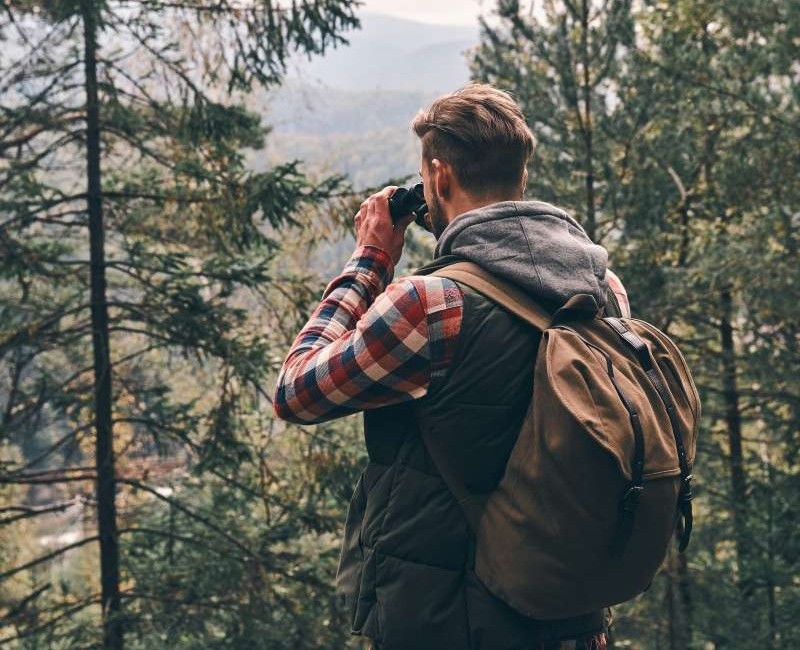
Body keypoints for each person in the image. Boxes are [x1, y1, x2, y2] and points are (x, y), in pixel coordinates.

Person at [272, 84, 630, 650]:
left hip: (451, 622)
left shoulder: (430, 307)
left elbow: (295, 391)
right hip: (572, 616)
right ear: (521, 175)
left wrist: (370, 260)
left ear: (437, 179)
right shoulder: (604, 289)